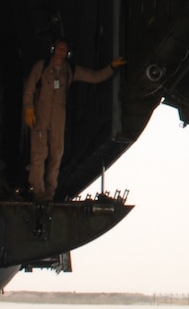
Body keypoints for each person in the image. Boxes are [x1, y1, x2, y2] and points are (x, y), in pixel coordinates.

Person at [21, 39, 122, 202]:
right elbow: (30, 89)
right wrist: (28, 109)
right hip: (40, 116)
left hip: (58, 118)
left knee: (57, 153)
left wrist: (111, 67)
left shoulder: (70, 71)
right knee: (39, 153)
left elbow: (95, 76)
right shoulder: (42, 66)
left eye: (64, 50)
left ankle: (50, 192)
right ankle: (38, 190)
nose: (61, 52)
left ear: (67, 52)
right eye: (59, 48)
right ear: (53, 49)